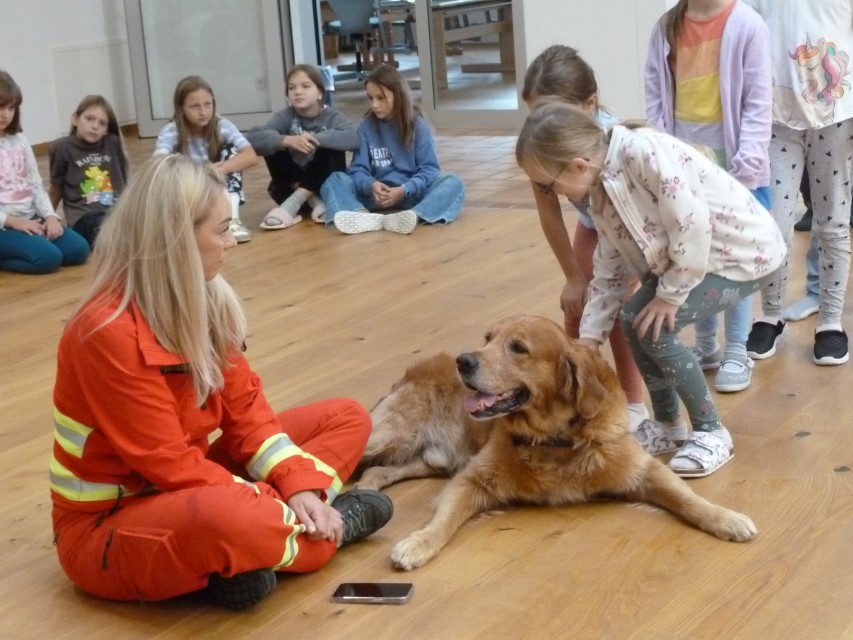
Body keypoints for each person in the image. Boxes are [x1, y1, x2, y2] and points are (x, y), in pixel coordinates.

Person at [50, 154, 393, 610]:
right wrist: (275, 503)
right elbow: (168, 464)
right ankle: (328, 532)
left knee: (347, 417)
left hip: (188, 490)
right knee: (231, 517)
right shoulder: (103, 331)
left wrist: (297, 486)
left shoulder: (207, 300)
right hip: (107, 527)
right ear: (177, 239)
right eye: (222, 230)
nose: (231, 242)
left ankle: (255, 551)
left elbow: (248, 416)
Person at [516, 102, 786, 477]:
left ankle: (711, 432)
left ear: (577, 165)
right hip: (693, 263)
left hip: (744, 256)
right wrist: (589, 340)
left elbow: (693, 227)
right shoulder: (599, 192)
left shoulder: (641, 153)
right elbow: (609, 270)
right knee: (633, 320)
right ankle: (667, 424)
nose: (551, 193)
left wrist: (669, 297)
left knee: (658, 330)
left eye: (549, 184)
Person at [521, 46, 652, 440]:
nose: (545, 124)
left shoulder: (615, 144)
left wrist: (618, 279)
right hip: (594, 222)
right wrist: (573, 277)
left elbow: (638, 224)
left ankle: (633, 402)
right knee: (578, 304)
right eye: (537, 114)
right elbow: (549, 213)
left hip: (633, 225)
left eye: (554, 113)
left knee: (619, 308)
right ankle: (573, 398)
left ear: (590, 105)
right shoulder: (540, 143)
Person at [645, 0, 773, 393]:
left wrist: (745, 170)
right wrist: (662, 157)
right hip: (683, 165)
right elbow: (655, 96)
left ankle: (736, 347)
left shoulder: (748, 25)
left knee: (733, 260)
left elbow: (758, 103)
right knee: (694, 252)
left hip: (734, 167)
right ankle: (706, 345)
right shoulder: (666, 26)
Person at [742, 0, 853, 365]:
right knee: (774, 225)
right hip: (775, 118)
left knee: (833, 223)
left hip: (836, 118)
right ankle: (770, 315)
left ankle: (830, 322)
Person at [320, 64, 465, 235]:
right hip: (374, 198)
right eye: (370, 98)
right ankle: (359, 215)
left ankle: (413, 216)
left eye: (381, 98)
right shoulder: (365, 127)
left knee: (454, 183)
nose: (375, 105)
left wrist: (404, 190)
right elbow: (357, 170)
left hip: (410, 195)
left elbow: (430, 170)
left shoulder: (418, 126)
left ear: (398, 95)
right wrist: (371, 185)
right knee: (335, 179)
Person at [247, 64, 358, 229]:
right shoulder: (286, 116)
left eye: (305, 86)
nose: (297, 92)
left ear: (320, 93)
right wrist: (287, 140)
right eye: (292, 88)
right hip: (288, 189)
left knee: (330, 147)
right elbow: (254, 137)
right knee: (273, 144)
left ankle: (297, 201)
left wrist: (313, 139)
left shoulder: (332, 117)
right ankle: (312, 201)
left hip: (325, 190)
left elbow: (353, 137)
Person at [0, 70, 89, 274]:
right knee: (48, 259)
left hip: (30, 216)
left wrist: (50, 216)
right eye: (0, 107)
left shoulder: (20, 140)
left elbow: (36, 186)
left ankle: (31, 243)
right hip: (4, 224)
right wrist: (12, 221)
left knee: (78, 250)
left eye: (11, 108)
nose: (6, 114)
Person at [154, 75, 257, 244]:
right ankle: (182, 221)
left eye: (207, 104)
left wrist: (217, 169)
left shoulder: (221, 125)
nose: (203, 112)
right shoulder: (171, 131)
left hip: (216, 184)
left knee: (232, 151)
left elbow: (250, 155)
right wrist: (198, 173)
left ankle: (232, 220)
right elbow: (158, 164)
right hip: (188, 188)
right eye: (194, 106)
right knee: (170, 162)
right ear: (181, 109)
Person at [48, 94, 129, 247]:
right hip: (84, 216)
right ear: (75, 119)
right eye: (89, 119)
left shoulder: (113, 143)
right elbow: (56, 188)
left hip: (115, 211)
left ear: (106, 129)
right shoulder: (62, 147)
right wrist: (47, 216)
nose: (95, 126)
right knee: (103, 229)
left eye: (102, 123)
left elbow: (122, 181)